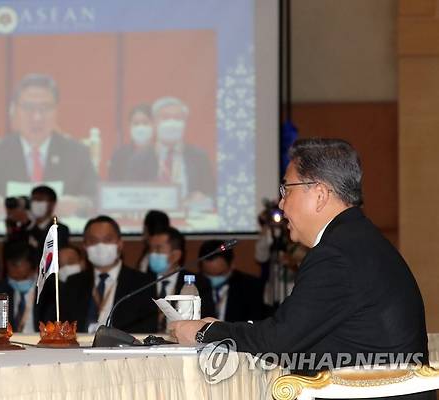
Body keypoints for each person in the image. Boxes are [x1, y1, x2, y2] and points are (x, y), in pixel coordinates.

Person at [172, 139, 434, 399]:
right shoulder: (358, 240)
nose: (282, 204)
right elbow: (293, 331)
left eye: (287, 190)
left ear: (320, 194)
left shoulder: (336, 254)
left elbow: (278, 341)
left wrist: (206, 332)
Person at [0, 73, 97, 217]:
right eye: (29, 107)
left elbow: (95, 198)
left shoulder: (77, 153)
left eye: (45, 108)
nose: (37, 117)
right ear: (14, 110)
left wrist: (78, 205)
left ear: (56, 111)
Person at [62, 215, 157, 333]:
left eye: (107, 240)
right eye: (93, 241)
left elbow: (147, 328)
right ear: (85, 246)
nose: (100, 246)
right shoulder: (73, 283)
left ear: (120, 244)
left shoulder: (142, 283)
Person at [128, 96, 216, 208]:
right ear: (155, 122)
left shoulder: (199, 157)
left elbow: (213, 194)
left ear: (185, 123)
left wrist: (205, 199)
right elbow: (130, 197)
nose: (172, 123)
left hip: (190, 219)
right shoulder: (138, 159)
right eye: (165, 118)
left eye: (178, 118)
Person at [146, 226, 214, 331]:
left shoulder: (200, 283)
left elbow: (206, 322)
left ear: (176, 255)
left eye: (158, 249)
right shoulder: (140, 282)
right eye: (150, 249)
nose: (152, 254)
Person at [0, 241, 54, 333]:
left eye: (17, 264)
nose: (13, 269)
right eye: (10, 265)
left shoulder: (50, 291)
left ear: (34, 266)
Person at [197, 239, 264, 322]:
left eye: (219, 274)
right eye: (208, 274)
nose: (213, 278)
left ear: (232, 265)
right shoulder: (194, 286)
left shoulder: (251, 287)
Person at [5, 185, 70, 252]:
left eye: (40, 200)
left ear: (52, 204)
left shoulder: (60, 229)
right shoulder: (24, 227)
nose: (36, 203)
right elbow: (11, 252)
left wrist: (29, 224)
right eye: (33, 200)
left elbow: (50, 252)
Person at [108, 104, 157, 181]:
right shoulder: (119, 154)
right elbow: (112, 183)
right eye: (136, 123)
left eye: (145, 123)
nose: (141, 128)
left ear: (154, 125)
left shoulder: (160, 153)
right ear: (129, 126)